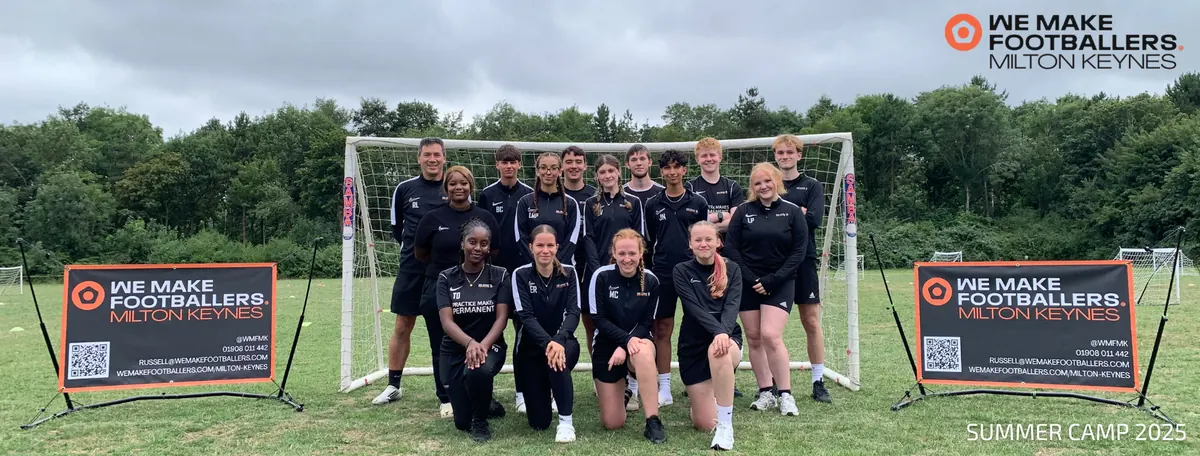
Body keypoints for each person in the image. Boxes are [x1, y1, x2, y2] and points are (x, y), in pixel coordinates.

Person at [415, 165, 503, 418]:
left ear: (471, 186)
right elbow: (420, 253)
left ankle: (482, 392)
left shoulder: (485, 216)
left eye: (463, 183)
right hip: (439, 287)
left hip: (480, 290)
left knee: (481, 342)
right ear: (446, 188)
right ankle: (445, 397)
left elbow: (493, 252)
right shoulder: (432, 218)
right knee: (440, 342)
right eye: (453, 183)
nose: (458, 187)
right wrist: (447, 274)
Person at [722, 162, 808, 416]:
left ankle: (786, 394)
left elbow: (798, 251)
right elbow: (731, 248)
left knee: (770, 334)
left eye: (767, 181)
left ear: (776, 181)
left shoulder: (792, 212)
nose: (763, 186)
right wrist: (751, 278)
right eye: (758, 183)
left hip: (780, 283)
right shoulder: (744, 211)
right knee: (755, 337)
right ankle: (766, 391)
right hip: (748, 283)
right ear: (753, 187)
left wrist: (773, 279)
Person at [375, 137, 449, 414]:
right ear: (419, 158)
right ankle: (394, 384)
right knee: (403, 324)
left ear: (444, 158)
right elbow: (398, 229)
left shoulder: (453, 185)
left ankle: (450, 389)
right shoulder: (405, 189)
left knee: (444, 330)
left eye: (437, 155)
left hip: (443, 271)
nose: (432, 159)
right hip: (412, 268)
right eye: (427, 154)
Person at [643, 149, 708, 406]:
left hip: (693, 273)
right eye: (667, 168)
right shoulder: (652, 204)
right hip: (662, 274)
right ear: (661, 171)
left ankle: (702, 381)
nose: (672, 172)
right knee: (661, 330)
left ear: (684, 170)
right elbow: (649, 241)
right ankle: (665, 388)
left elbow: (704, 240)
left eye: (676, 167)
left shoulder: (698, 203)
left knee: (700, 327)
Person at [587, 228, 666, 444]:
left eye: (632, 253)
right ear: (613, 252)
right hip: (606, 345)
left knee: (640, 351)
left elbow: (647, 323)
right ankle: (624, 391)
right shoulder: (601, 276)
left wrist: (626, 345)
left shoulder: (651, 280)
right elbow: (599, 320)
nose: (627, 259)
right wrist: (624, 341)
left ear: (641, 253)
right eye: (621, 253)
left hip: (638, 341)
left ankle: (652, 421)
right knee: (613, 422)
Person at [437, 219, 512, 441]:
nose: (478, 248)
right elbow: (446, 322)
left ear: (489, 247)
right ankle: (485, 402)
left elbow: (502, 318)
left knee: (477, 370)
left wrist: (482, 346)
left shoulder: (499, 274)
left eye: (484, 243)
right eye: (472, 242)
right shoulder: (446, 277)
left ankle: (481, 420)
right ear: (463, 244)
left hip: (491, 346)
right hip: (454, 349)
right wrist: (469, 343)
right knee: (461, 422)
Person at [582, 154, 647, 410]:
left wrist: (626, 267)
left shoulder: (632, 203)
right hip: (599, 274)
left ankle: (632, 384)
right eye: (602, 172)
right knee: (595, 326)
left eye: (611, 171)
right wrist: (600, 271)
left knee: (628, 322)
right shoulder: (590, 204)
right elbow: (587, 239)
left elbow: (639, 238)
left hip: (628, 272)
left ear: (619, 172)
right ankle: (603, 376)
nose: (607, 175)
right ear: (596, 176)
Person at [773, 134, 832, 404]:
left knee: (810, 321)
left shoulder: (812, 185)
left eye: (789, 152)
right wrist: (797, 212)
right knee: (774, 328)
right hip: (775, 262)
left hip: (804, 260)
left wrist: (785, 216)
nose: (784, 157)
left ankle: (817, 381)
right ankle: (775, 382)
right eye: (780, 153)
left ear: (799, 155)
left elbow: (813, 221)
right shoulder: (769, 184)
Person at [674, 221, 742, 451]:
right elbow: (694, 309)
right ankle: (714, 395)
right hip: (693, 344)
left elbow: (732, 307)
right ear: (690, 244)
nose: (703, 244)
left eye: (708, 239)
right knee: (703, 423)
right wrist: (718, 331)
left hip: (726, 340)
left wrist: (723, 333)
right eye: (698, 240)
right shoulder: (681, 271)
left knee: (719, 351)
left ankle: (725, 427)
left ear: (718, 242)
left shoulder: (732, 269)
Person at [477, 144, 534, 413]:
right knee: (490, 334)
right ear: (497, 165)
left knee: (525, 335)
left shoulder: (530, 195)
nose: (509, 166)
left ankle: (523, 391)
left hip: (524, 277)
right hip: (495, 277)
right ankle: (482, 392)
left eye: (513, 161)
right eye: (504, 161)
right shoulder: (487, 195)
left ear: (520, 165)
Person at [512, 225, 582, 443]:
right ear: (531, 247)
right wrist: (548, 343)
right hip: (532, 349)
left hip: (564, 343)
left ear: (557, 247)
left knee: (557, 361)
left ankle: (566, 423)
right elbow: (526, 317)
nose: (545, 250)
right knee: (539, 423)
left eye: (550, 245)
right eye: (540, 245)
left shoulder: (569, 272)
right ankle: (547, 391)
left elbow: (574, 312)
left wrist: (558, 341)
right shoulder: (520, 275)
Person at [513, 153, 583, 268]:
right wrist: (537, 263)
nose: (548, 172)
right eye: (543, 167)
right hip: (532, 268)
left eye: (553, 168)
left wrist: (556, 264)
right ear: (537, 171)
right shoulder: (525, 202)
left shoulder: (570, 204)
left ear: (560, 171)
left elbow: (572, 239)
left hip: (562, 267)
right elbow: (520, 237)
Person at [687, 137, 744, 234]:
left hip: (727, 245)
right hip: (700, 246)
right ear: (697, 159)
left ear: (720, 157)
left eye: (712, 155)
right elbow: (690, 222)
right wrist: (720, 215)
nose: (709, 159)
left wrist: (704, 224)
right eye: (704, 156)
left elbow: (736, 223)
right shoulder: (690, 187)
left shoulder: (732, 187)